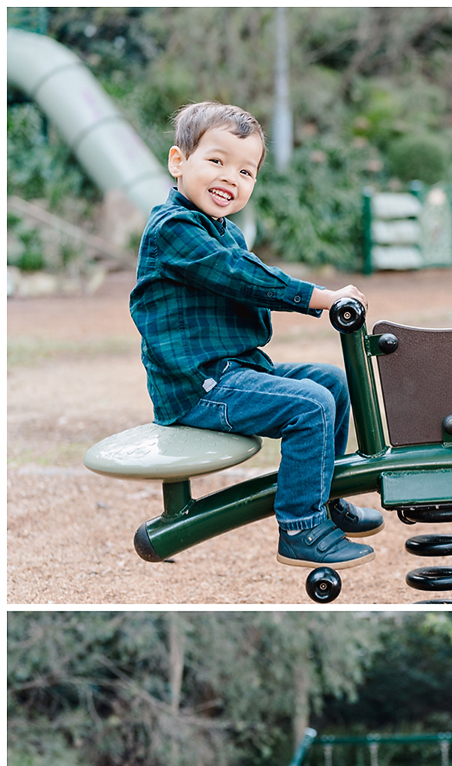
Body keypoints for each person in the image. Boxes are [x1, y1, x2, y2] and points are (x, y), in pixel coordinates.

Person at [130, 102, 382, 571]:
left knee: (332, 383)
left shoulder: (224, 232)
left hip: (235, 373)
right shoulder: (175, 229)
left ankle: (325, 498)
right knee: (310, 404)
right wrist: (318, 296)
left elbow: (248, 278)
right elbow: (239, 277)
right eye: (217, 161)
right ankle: (301, 527)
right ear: (178, 162)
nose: (231, 178)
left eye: (246, 171)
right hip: (199, 388)